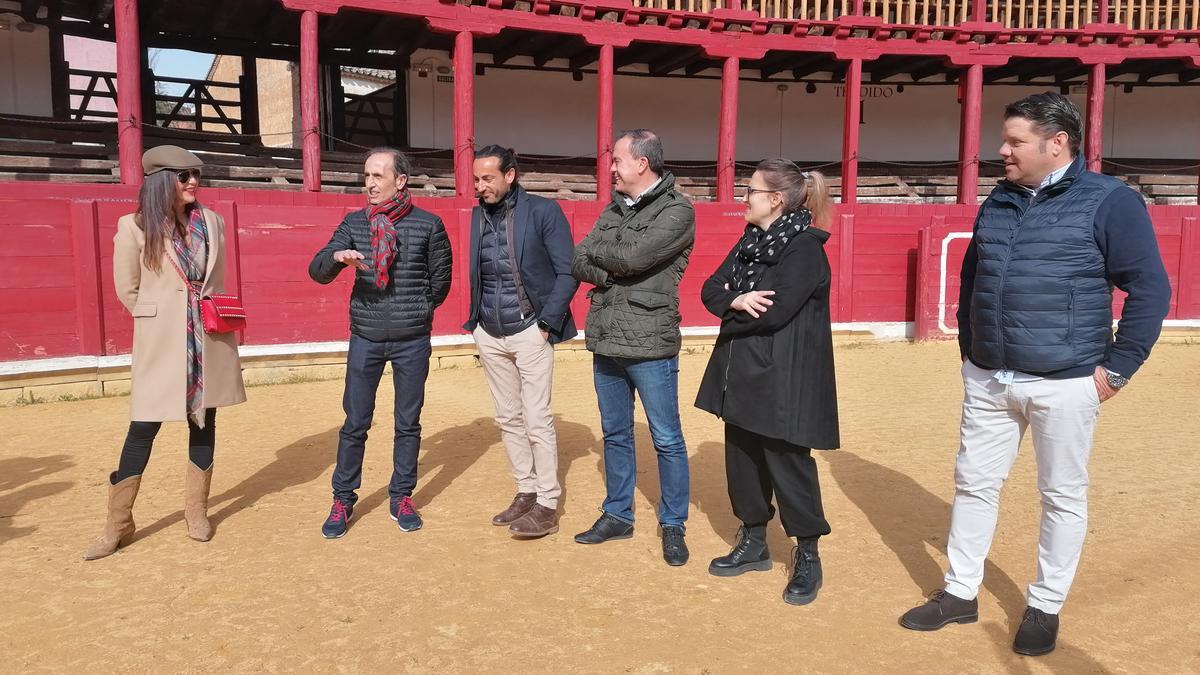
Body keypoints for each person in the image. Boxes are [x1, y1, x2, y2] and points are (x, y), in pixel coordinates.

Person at [898, 93, 1172, 656]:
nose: (1001, 151)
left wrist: (1117, 370)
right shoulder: (999, 198)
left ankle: (1045, 604)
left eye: (1014, 141)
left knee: (1061, 494)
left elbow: (1150, 289)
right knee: (973, 483)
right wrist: (972, 349)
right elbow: (974, 275)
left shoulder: (1110, 201)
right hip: (990, 375)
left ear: (1057, 143)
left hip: (1067, 380)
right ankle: (960, 591)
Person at [84, 145, 247, 560]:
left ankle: (196, 511)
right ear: (161, 181)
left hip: (207, 339)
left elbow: (216, 279)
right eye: (184, 176)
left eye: (196, 174)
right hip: (162, 342)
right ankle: (117, 523)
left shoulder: (212, 221)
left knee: (204, 422)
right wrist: (164, 317)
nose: (194, 182)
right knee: (142, 429)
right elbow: (128, 289)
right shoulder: (134, 226)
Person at [695, 159, 839, 605]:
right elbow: (710, 290)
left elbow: (772, 312)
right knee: (742, 459)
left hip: (783, 377)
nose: (745, 197)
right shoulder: (750, 242)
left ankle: (808, 553)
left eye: (751, 191)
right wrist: (736, 301)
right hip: (741, 371)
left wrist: (729, 310)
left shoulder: (804, 250)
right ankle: (754, 540)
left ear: (775, 199)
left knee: (787, 462)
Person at [309, 147, 452, 539]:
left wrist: (417, 312)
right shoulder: (354, 223)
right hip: (366, 338)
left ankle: (402, 495)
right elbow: (317, 271)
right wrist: (337, 257)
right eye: (366, 175)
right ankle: (342, 498)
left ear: (400, 181)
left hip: (411, 340)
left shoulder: (429, 225)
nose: (369, 183)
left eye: (377, 176)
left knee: (408, 423)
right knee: (355, 422)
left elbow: (440, 283)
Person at [570, 129, 695, 566]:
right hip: (606, 335)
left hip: (649, 340)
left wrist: (608, 257)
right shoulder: (614, 208)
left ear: (642, 163)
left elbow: (634, 259)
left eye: (617, 160)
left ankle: (674, 521)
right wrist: (610, 265)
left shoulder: (678, 210)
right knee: (615, 433)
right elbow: (578, 258)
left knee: (666, 437)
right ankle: (618, 514)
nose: (611, 167)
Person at [465, 145, 580, 538]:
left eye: (488, 179)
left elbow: (569, 271)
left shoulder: (544, 212)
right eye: (477, 179)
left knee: (537, 418)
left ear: (510, 175)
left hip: (531, 329)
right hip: (490, 331)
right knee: (509, 418)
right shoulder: (477, 216)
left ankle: (547, 502)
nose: (480, 186)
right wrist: (478, 324)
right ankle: (525, 490)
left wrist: (547, 323)